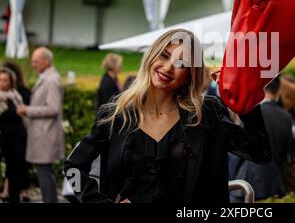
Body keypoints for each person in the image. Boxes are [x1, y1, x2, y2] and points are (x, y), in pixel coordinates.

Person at [64, 29, 271, 203]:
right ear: (151, 56)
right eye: (163, 55)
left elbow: (260, 152)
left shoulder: (206, 114)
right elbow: (73, 167)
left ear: (190, 73)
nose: (168, 67)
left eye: (181, 63)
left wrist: (244, 94)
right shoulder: (117, 114)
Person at [229, 76, 293, 202]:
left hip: (246, 182)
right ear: (278, 91)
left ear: (261, 90)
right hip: (274, 185)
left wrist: (232, 178)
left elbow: (239, 152)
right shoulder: (286, 117)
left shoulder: (252, 114)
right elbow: (287, 154)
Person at [17, 47, 65, 203]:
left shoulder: (52, 79)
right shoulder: (47, 77)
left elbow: (53, 108)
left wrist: (27, 110)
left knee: (45, 175)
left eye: (36, 61)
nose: (33, 64)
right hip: (43, 135)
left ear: (47, 61)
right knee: (44, 175)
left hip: (45, 135)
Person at [0, 61, 31, 202]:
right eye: (0, 80)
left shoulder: (16, 96)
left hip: (14, 138)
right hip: (3, 137)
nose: (2, 83)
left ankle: (14, 196)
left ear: (11, 82)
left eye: (5, 80)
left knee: (13, 170)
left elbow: (21, 115)